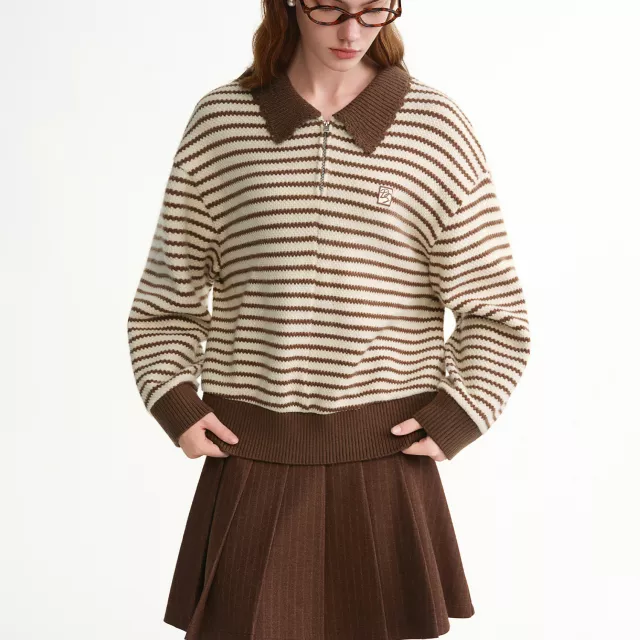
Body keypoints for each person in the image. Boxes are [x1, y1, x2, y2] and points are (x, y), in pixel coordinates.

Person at [126, 1, 531, 638]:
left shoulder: (434, 128)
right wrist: (174, 400)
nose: (352, 31)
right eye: (330, 7)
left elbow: (496, 310)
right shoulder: (222, 122)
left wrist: (461, 411)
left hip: (389, 463)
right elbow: (166, 300)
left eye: (374, 8)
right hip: (250, 459)